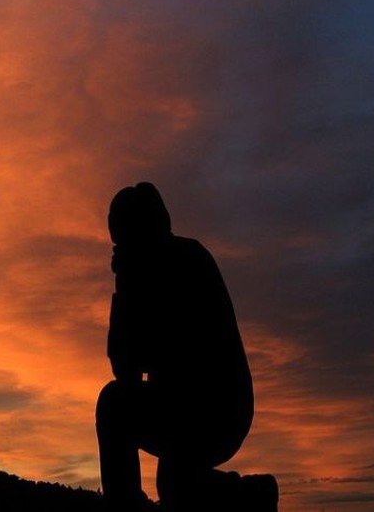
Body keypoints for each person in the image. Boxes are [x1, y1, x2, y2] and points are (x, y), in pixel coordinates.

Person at [96, 182, 278, 511]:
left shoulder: (187, 260)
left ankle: (123, 509)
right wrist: (124, 295)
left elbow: (167, 357)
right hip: (183, 408)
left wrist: (131, 294)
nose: (120, 250)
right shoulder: (142, 277)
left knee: (113, 406)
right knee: (176, 484)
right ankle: (255, 495)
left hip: (217, 409)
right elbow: (127, 371)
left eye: (125, 238)